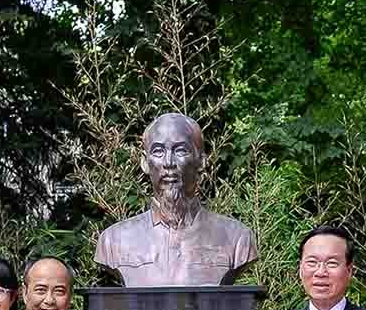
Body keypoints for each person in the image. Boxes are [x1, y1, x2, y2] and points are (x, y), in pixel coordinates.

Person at [92, 112, 259, 286]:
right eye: (158, 151)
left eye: (180, 150)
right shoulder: (114, 240)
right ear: (144, 162)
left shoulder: (237, 238)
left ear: (201, 161)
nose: (169, 162)